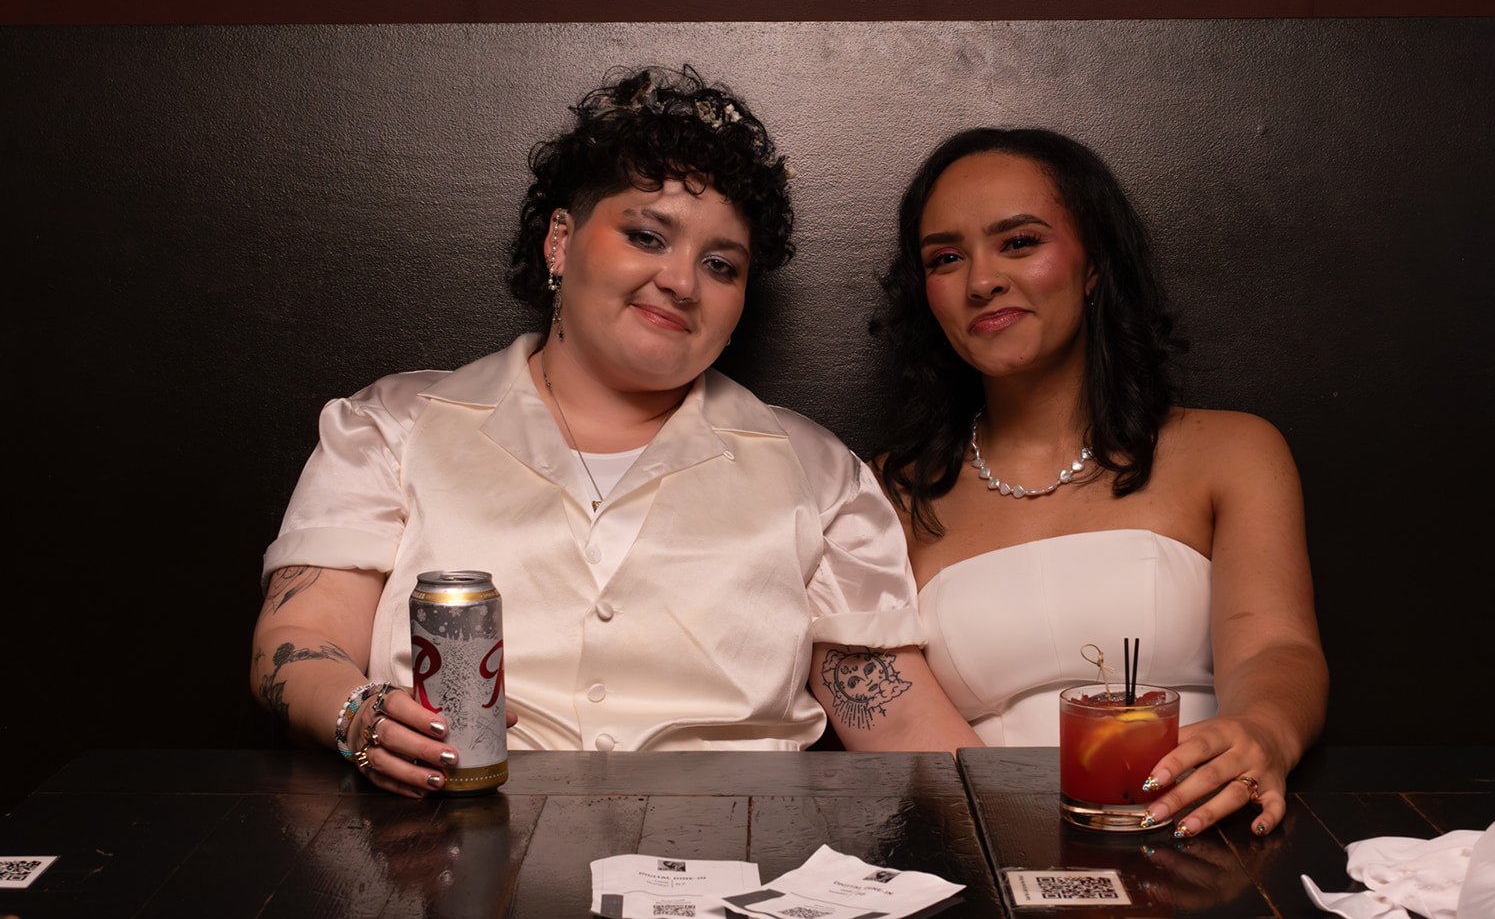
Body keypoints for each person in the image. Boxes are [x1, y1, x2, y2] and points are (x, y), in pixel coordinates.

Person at [251, 66, 980, 798]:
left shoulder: (817, 473)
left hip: (733, 872)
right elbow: (300, 640)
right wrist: (358, 715)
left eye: (720, 265)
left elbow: (898, 721)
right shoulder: (392, 428)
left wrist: (1041, 837)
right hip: (451, 855)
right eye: (647, 236)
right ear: (560, 241)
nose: (682, 282)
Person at [873, 127, 1327, 839]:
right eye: (946, 257)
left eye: (1019, 242)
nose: (981, 279)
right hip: (992, 849)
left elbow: (1277, 648)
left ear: (1094, 266)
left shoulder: (1233, 450)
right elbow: (892, 719)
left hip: (1211, 838)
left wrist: (1264, 732)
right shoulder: (891, 494)